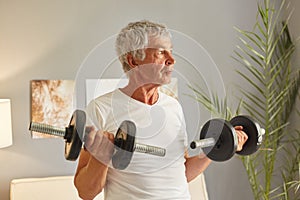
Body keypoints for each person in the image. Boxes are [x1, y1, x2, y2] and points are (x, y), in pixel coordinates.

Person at [74, 20, 248, 200]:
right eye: (160, 52)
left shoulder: (173, 107)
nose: (172, 60)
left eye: (171, 51)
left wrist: (220, 147)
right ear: (133, 60)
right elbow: (85, 192)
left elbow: (182, 172)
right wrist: (100, 159)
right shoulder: (100, 109)